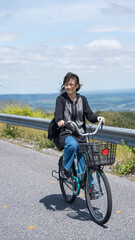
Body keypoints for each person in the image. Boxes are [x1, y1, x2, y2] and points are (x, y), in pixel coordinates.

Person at [54, 72, 105, 179]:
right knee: (73, 145)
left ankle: (89, 187)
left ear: (77, 86)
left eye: (71, 84)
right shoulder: (61, 99)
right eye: (66, 84)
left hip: (81, 133)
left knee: (86, 160)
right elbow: (58, 114)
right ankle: (65, 168)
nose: (68, 87)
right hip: (66, 132)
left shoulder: (83, 99)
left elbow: (89, 115)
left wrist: (97, 118)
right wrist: (60, 120)